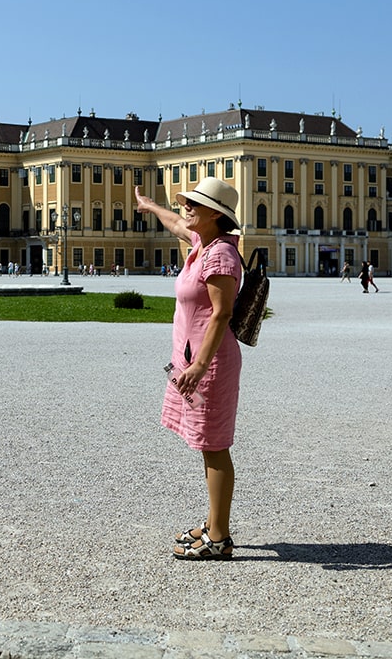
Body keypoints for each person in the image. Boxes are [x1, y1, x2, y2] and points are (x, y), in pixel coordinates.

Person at [134, 178, 243, 561]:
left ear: (216, 214)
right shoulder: (203, 244)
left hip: (209, 365)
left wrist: (199, 365)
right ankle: (215, 524)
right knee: (205, 443)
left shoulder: (220, 257)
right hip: (194, 362)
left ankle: (219, 537)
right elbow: (177, 225)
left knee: (214, 446)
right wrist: (151, 207)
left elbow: (222, 313)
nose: (187, 207)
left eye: (195, 203)